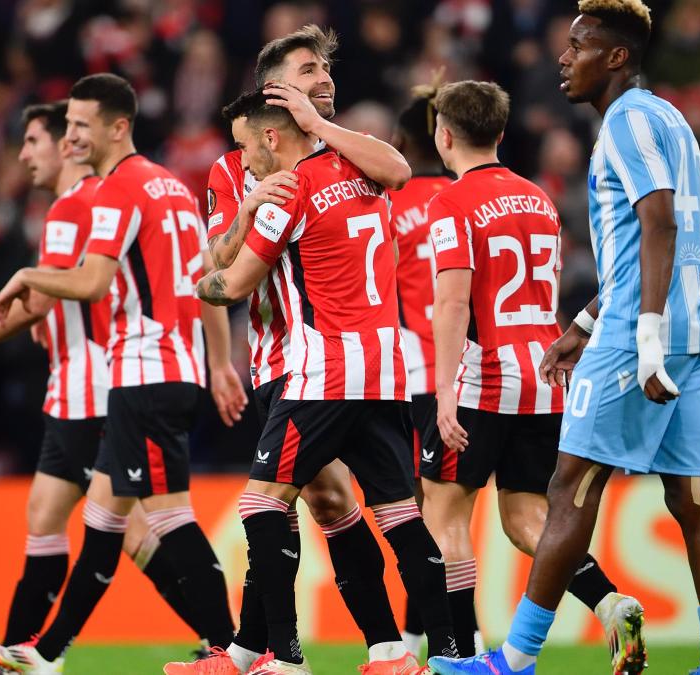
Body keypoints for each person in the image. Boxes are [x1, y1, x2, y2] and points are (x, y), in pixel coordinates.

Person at [429, 2, 700, 674]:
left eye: (579, 46)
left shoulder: (625, 121)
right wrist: (583, 323)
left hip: (642, 334)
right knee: (693, 495)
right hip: (691, 316)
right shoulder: (670, 118)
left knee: (570, 489)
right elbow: (652, 246)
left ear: (617, 56)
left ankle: (514, 656)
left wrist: (643, 340)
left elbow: (657, 226)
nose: (564, 59)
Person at [0, 101, 216, 675]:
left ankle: (223, 643)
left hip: (95, 385)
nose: (23, 154)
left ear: (65, 144)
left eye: (32, 141)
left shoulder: (75, 206)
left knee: (132, 528)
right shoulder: (122, 195)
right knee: (59, 515)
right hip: (101, 378)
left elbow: (45, 297)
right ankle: (30, 653)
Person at [167, 25, 418, 675]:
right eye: (309, 69)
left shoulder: (349, 153)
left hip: (335, 362)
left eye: (327, 67)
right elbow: (216, 266)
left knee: (308, 500)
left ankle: (280, 652)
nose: (325, 77)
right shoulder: (236, 165)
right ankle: (301, 648)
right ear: (272, 88)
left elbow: (398, 173)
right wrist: (222, 360)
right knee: (313, 500)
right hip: (286, 360)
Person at [0, 74, 246, 674]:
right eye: (68, 125)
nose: (71, 135)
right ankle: (45, 654)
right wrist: (215, 362)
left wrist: (29, 277)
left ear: (117, 126)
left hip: (147, 370)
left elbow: (91, 282)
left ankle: (236, 653)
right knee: (104, 521)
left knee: (170, 516)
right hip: (163, 369)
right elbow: (204, 279)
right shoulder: (172, 187)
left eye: (80, 125)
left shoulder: (119, 189)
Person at [194, 90, 460, 674]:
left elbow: (232, 284)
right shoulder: (365, 173)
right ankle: (441, 657)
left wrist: (196, 283)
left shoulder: (288, 190)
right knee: (400, 515)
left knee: (262, 502)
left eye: (247, 148)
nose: (246, 163)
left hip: (323, 373)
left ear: (270, 138)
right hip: (387, 371)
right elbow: (399, 168)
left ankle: (285, 659)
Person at [418, 79, 646, 672]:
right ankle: (609, 602)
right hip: (544, 377)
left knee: (442, 515)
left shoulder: (451, 201)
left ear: (444, 135)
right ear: (498, 132)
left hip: (483, 376)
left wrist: (444, 391)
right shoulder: (538, 199)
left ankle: (457, 651)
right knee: (528, 519)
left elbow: (453, 303)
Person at [387, 84, 456, 657]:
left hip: (413, 376)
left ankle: (456, 637)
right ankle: (415, 638)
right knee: (442, 514)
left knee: (422, 515)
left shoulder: (391, 206)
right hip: (473, 373)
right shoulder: (464, 198)